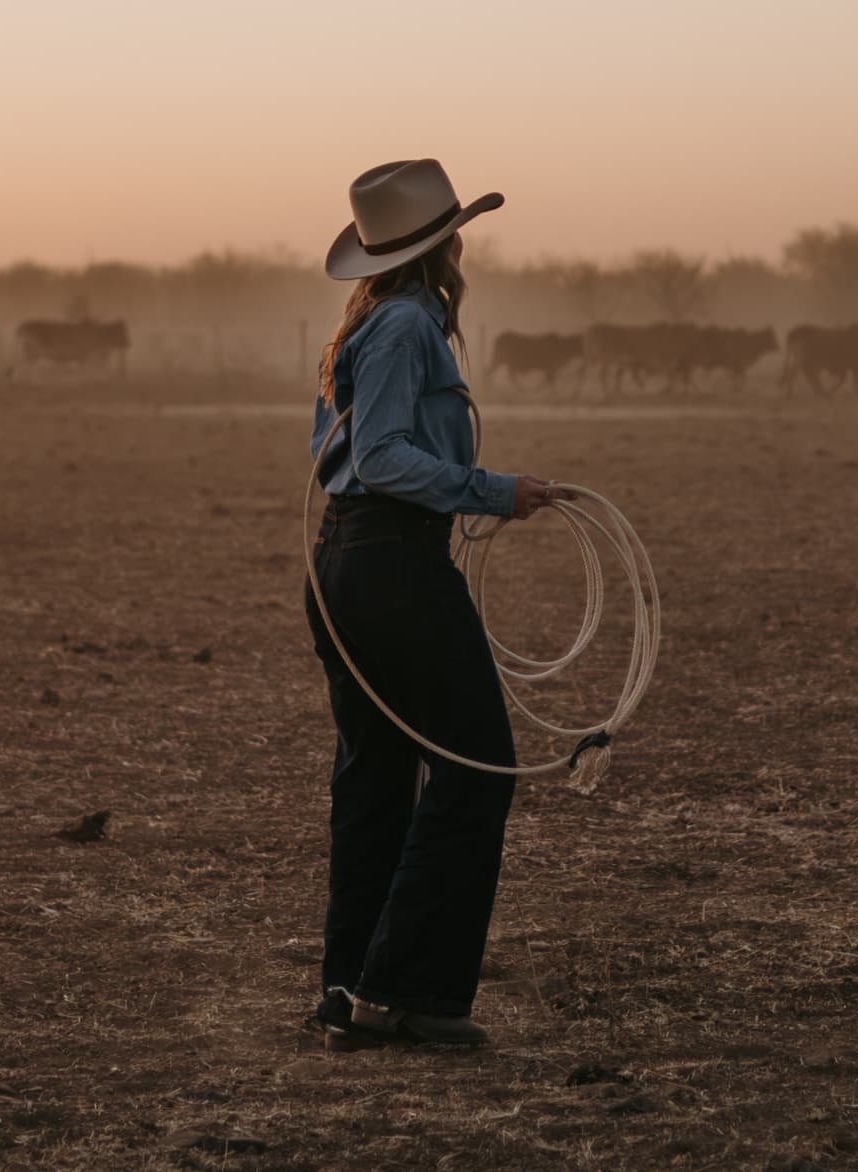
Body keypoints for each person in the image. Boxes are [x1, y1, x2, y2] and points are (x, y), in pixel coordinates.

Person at [303, 158, 570, 1050]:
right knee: (478, 768)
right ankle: (402, 991)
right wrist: (493, 489)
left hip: (349, 561)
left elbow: (352, 458)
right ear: (443, 243)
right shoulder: (409, 328)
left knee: (376, 779)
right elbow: (380, 458)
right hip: (392, 569)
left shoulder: (370, 324)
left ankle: (351, 987)